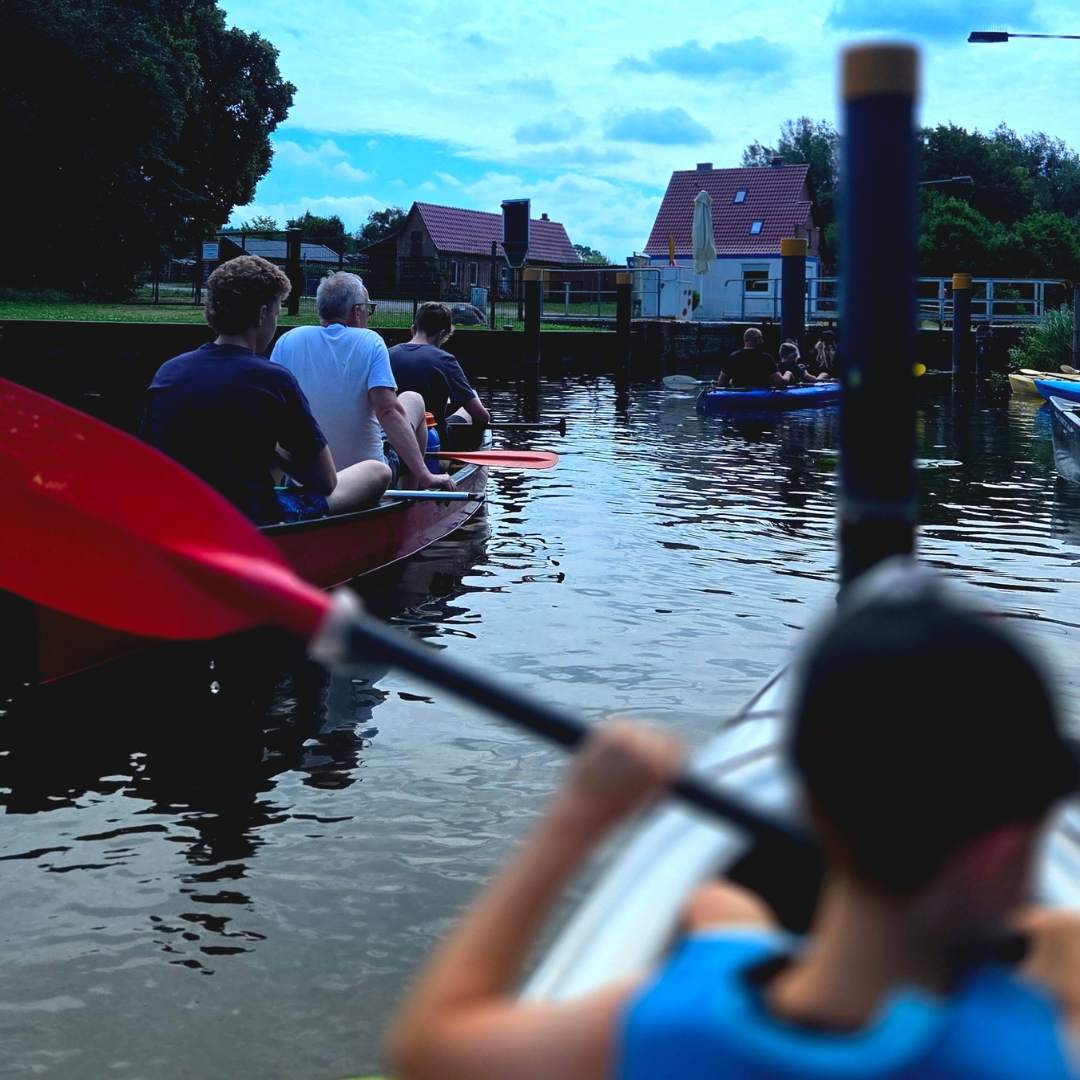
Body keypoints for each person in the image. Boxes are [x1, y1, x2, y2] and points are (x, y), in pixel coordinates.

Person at [385, 559, 1080, 1080]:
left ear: (812, 806)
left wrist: (576, 820)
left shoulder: (668, 1028)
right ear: (1001, 852)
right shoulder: (1039, 1046)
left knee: (716, 905)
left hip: (749, 971)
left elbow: (430, 1046)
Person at [141, 255, 388, 525]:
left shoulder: (168, 372)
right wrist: (275, 449)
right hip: (248, 519)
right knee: (377, 472)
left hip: (178, 516)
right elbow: (325, 480)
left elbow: (148, 458)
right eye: (276, 313)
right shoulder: (273, 380)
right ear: (261, 315)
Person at [270, 273, 456, 494]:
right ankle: (411, 493)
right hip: (366, 478)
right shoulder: (370, 341)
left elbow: (274, 411)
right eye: (368, 308)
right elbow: (387, 411)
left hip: (308, 477)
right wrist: (426, 474)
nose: (368, 315)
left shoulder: (288, 340)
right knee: (413, 400)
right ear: (356, 312)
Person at [389, 302, 491, 432]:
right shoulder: (444, 360)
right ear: (441, 335)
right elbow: (481, 417)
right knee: (473, 405)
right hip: (433, 436)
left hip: (391, 434)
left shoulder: (387, 354)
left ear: (413, 329)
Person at [718, 327, 792, 389]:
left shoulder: (732, 357)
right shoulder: (766, 358)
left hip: (740, 398)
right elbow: (780, 383)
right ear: (757, 339)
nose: (762, 341)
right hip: (761, 398)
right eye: (761, 338)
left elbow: (721, 383)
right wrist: (788, 373)